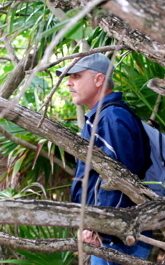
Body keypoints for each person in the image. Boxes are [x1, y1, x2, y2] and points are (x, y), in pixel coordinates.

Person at [56, 53, 152, 264]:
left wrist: (99, 226)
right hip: (113, 233)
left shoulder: (110, 118)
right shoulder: (103, 117)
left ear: (99, 79)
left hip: (115, 237)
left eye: (76, 76)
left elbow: (118, 180)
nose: (69, 83)